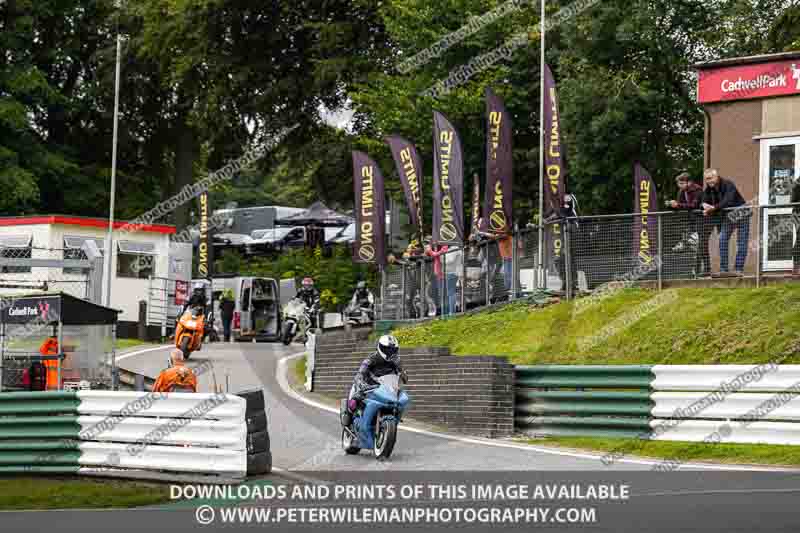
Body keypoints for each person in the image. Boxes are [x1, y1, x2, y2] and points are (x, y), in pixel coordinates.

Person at [701, 168, 749, 275]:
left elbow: (728, 201)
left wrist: (713, 208)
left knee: (741, 242)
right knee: (722, 239)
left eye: (710, 178)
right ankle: (723, 269)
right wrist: (704, 206)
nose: (708, 181)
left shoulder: (728, 184)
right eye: (706, 179)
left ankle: (738, 269)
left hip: (741, 212)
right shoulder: (709, 189)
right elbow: (703, 199)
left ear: (716, 176)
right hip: (728, 216)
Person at [345, 335, 407, 416]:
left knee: (401, 401)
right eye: (387, 349)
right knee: (354, 402)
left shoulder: (396, 361)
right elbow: (359, 374)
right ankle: (348, 415)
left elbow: (405, 379)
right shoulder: (371, 359)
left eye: (392, 350)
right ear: (381, 347)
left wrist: (400, 369)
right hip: (368, 388)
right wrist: (361, 384)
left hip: (386, 389)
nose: (390, 352)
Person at [668, 172, 706, 276]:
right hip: (690, 222)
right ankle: (684, 244)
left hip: (701, 221)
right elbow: (680, 206)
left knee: (700, 246)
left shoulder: (698, 190)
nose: (679, 185)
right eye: (678, 183)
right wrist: (671, 205)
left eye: (681, 183)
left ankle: (703, 270)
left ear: (689, 182)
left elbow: (694, 205)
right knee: (695, 245)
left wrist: (678, 205)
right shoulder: (681, 191)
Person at [424, 242, 448, 315]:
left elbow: (437, 254)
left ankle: (444, 310)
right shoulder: (434, 247)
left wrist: (430, 250)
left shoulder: (445, 245)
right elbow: (428, 255)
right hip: (435, 274)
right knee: (432, 293)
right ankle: (437, 309)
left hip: (443, 273)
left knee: (442, 293)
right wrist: (427, 251)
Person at [792, 176, 800, 276]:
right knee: (799, 239)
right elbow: (794, 200)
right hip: (798, 214)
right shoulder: (798, 183)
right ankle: (796, 267)